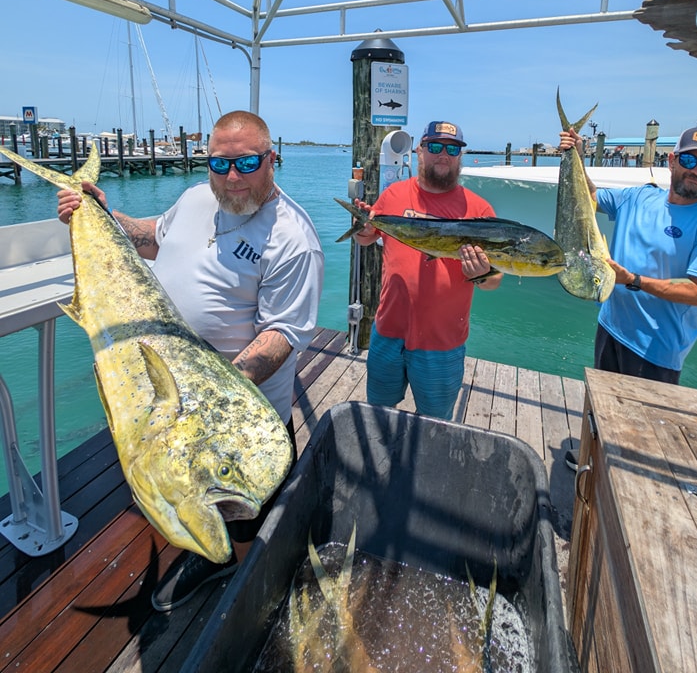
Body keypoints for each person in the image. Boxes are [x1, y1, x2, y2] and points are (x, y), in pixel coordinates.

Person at [57, 111, 324, 611]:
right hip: (165, 396)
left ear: (272, 159)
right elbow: (152, 239)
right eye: (220, 163)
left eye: (247, 162)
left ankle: (228, 572)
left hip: (234, 414)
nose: (232, 176)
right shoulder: (197, 198)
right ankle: (208, 554)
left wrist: (212, 392)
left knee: (244, 515)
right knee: (180, 490)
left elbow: (283, 333)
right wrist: (99, 214)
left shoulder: (293, 238)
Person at [558, 125, 697, 470]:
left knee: (641, 440)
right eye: (689, 160)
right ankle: (590, 460)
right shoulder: (639, 197)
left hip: (656, 349)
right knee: (601, 406)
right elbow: (589, 198)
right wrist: (575, 155)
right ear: (672, 160)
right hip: (611, 326)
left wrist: (634, 280)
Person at [353, 120, 502, 420]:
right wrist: (362, 230)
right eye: (434, 147)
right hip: (388, 331)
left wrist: (480, 274)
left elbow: (493, 281)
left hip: (442, 343)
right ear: (419, 151)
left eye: (452, 149)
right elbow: (366, 237)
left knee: (436, 423)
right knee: (378, 414)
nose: (443, 155)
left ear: (460, 156)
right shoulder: (393, 195)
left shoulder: (480, 210)